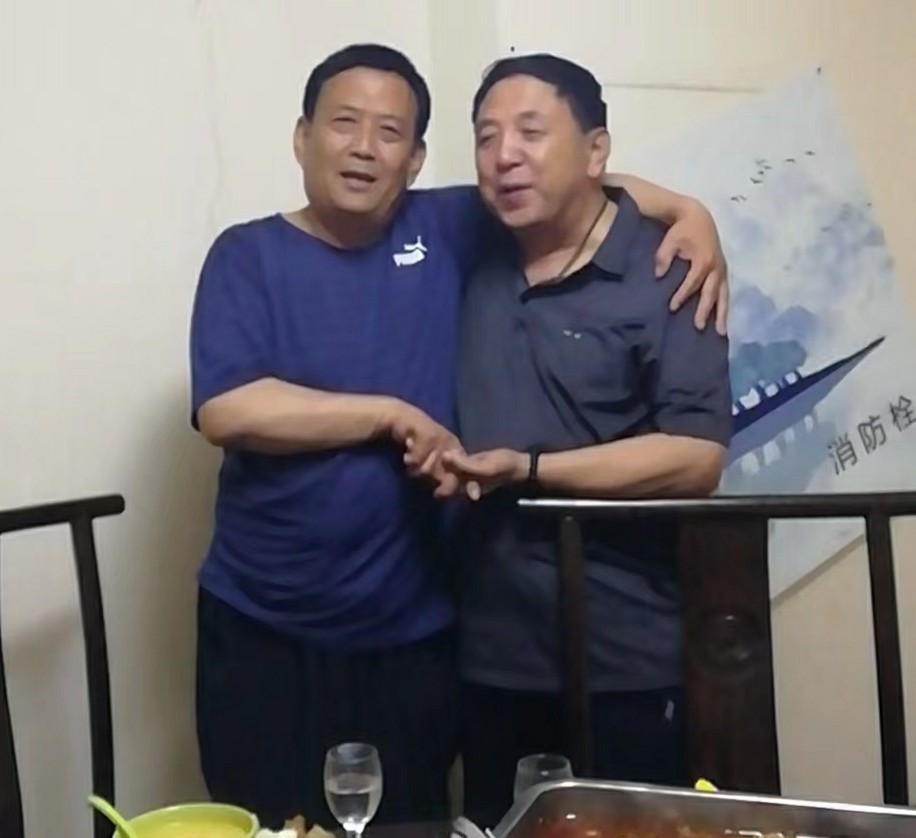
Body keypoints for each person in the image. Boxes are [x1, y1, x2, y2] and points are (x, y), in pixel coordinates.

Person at [189, 43, 728, 829]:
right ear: (302, 138)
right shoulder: (246, 254)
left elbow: (568, 181)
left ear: (414, 160)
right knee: (266, 826)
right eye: (343, 124)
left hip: (415, 636)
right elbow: (228, 410)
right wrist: (388, 413)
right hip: (261, 624)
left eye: (389, 132)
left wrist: (690, 211)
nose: (364, 148)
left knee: (410, 823)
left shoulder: (445, 226)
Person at [439, 54, 734, 826]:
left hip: (625, 655)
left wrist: (529, 468)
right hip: (489, 653)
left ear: (596, 150)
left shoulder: (669, 265)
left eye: (531, 133)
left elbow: (697, 455)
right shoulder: (469, 242)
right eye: (486, 137)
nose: (504, 155)